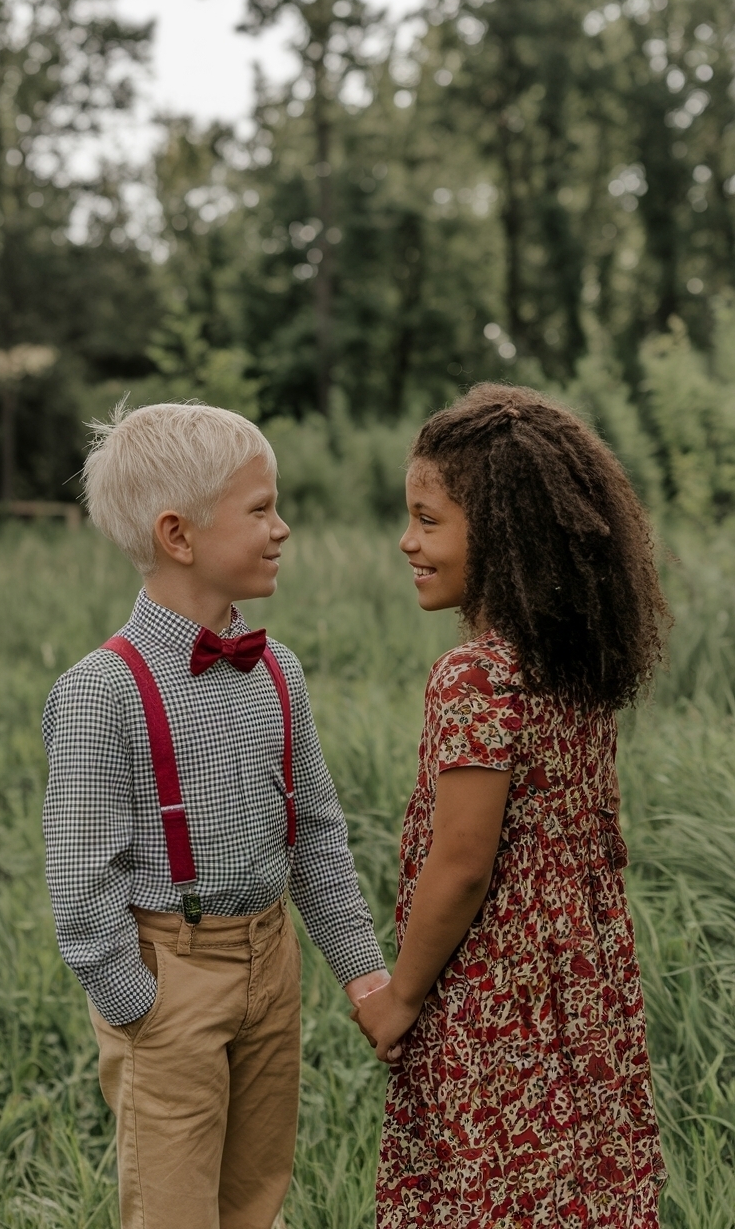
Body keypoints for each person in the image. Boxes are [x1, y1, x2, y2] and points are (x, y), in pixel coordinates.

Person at [42, 401, 388, 1229]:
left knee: (254, 1195)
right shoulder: (102, 691)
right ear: (179, 534)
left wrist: (362, 970)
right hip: (172, 976)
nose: (284, 528)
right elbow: (82, 881)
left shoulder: (279, 672)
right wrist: (141, 1008)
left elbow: (318, 837)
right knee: (173, 1209)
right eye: (262, 509)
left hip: (274, 962)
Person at [354, 384, 669, 1227]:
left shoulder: (478, 676)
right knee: (571, 1188)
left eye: (428, 520)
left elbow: (462, 866)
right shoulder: (571, 664)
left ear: (501, 536)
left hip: (496, 989)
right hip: (580, 980)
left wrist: (403, 996)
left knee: (486, 1186)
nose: (406, 541)